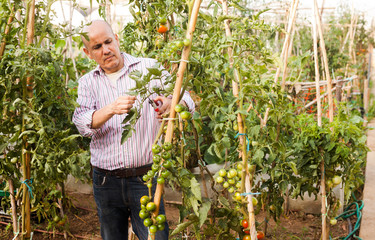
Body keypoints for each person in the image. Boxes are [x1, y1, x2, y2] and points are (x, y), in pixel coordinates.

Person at [72, 20, 195, 240]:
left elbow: (186, 99)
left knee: (156, 237)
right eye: (97, 47)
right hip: (105, 181)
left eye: (108, 42)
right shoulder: (87, 83)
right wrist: (110, 109)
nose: (106, 50)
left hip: (145, 178)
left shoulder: (149, 68)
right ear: (88, 53)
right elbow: (81, 122)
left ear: (116, 39)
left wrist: (169, 103)